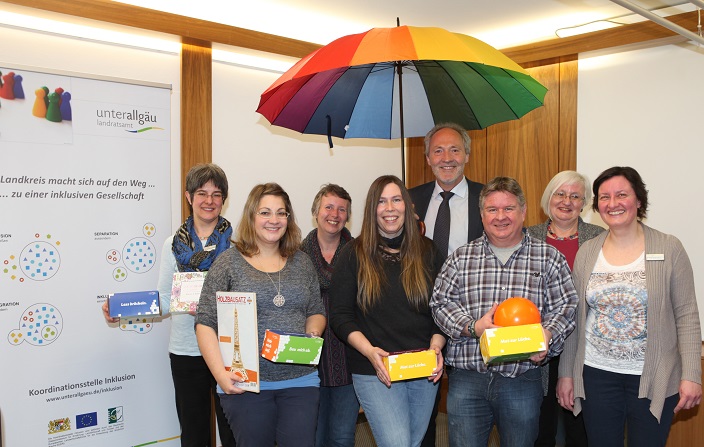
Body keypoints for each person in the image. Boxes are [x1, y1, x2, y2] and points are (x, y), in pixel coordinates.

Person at [557, 166, 702, 446]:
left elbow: (687, 316)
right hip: (596, 376)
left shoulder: (669, 247)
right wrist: (566, 374)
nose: (612, 204)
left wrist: (692, 375)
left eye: (621, 195)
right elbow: (574, 318)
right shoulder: (588, 252)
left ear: (638, 200)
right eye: (604, 197)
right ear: (597, 205)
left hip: (653, 377)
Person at [431, 176, 578, 447]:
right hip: (468, 378)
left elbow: (567, 305)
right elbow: (440, 303)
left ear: (523, 212)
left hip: (521, 379)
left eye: (509, 208)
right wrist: (473, 326)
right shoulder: (461, 258)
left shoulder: (548, 257)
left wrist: (547, 334)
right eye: (492, 209)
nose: (501, 217)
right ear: (482, 214)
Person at [101, 163, 235, 447]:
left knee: (234, 432)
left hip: (228, 350)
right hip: (186, 350)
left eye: (216, 194)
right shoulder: (172, 245)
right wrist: (121, 309)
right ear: (189, 197)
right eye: (202, 193)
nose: (209, 201)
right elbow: (163, 300)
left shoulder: (237, 247)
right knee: (194, 433)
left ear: (224, 198)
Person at [195, 182, 326, 447]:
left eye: (281, 213)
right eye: (265, 212)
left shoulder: (302, 262)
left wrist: (312, 333)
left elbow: (316, 311)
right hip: (246, 384)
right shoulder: (228, 263)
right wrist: (221, 375)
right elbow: (205, 322)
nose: (274, 220)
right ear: (252, 216)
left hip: (300, 380)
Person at [329, 175, 446, 447]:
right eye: (382, 201)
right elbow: (340, 316)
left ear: (407, 205)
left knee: (413, 442)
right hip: (375, 368)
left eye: (396, 199)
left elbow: (443, 309)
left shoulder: (428, 251)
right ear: (372, 209)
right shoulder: (352, 254)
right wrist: (370, 351)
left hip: (422, 366)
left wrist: (437, 346)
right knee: (397, 443)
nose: (390, 208)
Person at [408, 122, 484, 446]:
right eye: (438, 150)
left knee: (472, 413)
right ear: (427, 158)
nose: (447, 157)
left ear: (466, 154)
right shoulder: (410, 200)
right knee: (422, 411)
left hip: (474, 321)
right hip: (422, 320)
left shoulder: (487, 199)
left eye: (455, 149)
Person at [526, 170, 604, 447]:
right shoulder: (527, 236)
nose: (567, 201)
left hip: (585, 346)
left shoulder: (600, 238)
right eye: (560, 194)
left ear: (584, 203)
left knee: (579, 426)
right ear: (549, 197)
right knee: (539, 425)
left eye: (575, 196)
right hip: (539, 346)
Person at [300, 184, 359, 447]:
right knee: (314, 436)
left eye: (341, 209)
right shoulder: (296, 256)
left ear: (347, 216)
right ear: (315, 211)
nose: (334, 214)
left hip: (351, 358)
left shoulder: (362, 254)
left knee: (342, 437)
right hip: (310, 362)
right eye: (328, 207)